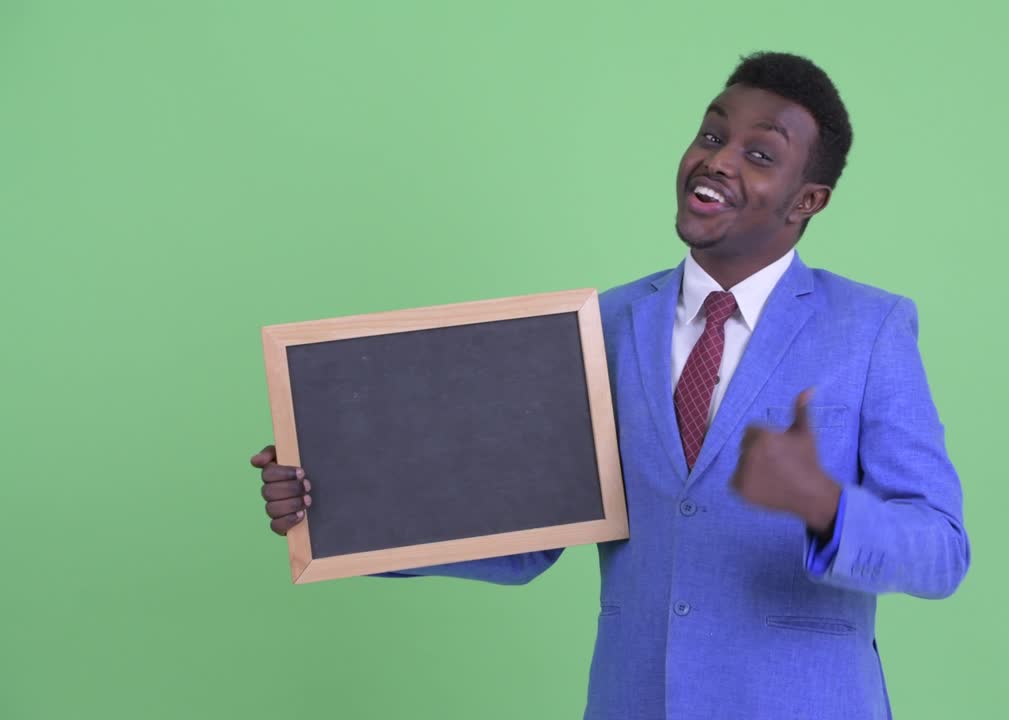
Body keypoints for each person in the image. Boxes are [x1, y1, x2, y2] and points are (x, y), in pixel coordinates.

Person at [251, 51, 969, 719]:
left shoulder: (869, 330)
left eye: (758, 154)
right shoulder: (603, 324)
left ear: (806, 200)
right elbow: (523, 535)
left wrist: (823, 503)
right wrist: (332, 507)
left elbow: (941, 552)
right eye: (711, 134)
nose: (716, 160)